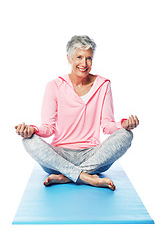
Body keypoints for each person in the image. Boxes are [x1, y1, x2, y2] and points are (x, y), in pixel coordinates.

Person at [15, 35, 139, 191]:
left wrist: (124, 125)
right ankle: (86, 177)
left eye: (89, 58)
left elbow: (107, 125)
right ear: (69, 58)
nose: (84, 63)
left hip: (93, 156)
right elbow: (48, 128)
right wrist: (32, 130)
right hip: (59, 157)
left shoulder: (103, 85)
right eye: (79, 57)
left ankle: (67, 176)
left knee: (127, 135)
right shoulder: (54, 86)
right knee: (28, 140)